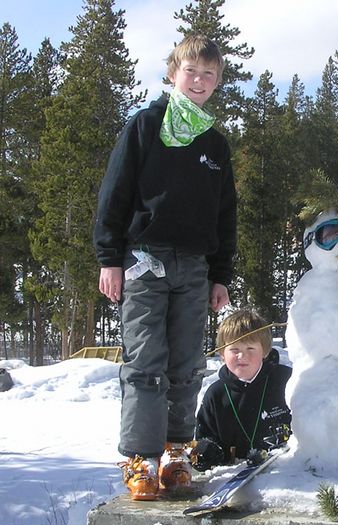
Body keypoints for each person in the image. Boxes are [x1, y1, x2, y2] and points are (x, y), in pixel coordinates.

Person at [93, 34, 237, 500]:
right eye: (191, 71)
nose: (198, 80)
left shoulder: (215, 144)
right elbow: (114, 194)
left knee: (187, 363)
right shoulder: (145, 125)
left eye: (208, 75)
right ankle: (140, 458)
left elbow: (224, 214)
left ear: (217, 83)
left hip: (194, 267)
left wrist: (220, 275)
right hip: (142, 261)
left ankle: (177, 451)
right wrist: (109, 258)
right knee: (144, 361)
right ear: (173, 72)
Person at [192, 309, 292, 470]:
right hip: (236, 475)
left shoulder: (287, 382)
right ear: (222, 353)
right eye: (234, 350)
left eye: (250, 349)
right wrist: (207, 451)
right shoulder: (216, 394)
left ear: (265, 351)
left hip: (286, 470)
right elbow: (206, 435)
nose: (242, 356)